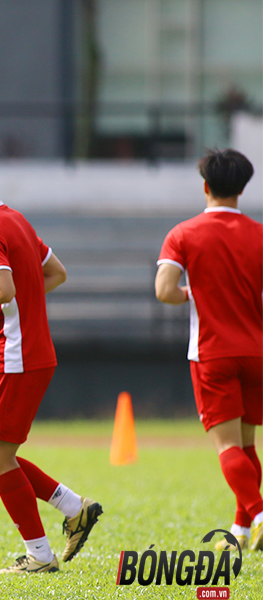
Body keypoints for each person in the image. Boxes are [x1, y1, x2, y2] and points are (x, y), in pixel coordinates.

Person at [0, 142, 101, 574]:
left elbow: (5, 288)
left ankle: (40, 556)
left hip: (16, 356)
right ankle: (73, 507)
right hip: (24, 353)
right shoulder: (17, 220)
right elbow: (54, 273)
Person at [155, 148, 263, 552]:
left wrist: (190, 293)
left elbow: (164, 290)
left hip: (213, 352)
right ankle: (239, 531)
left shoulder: (184, 233)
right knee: (248, 444)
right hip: (256, 351)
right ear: (242, 188)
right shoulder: (259, 233)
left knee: (228, 446)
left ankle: (258, 513)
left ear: (205, 186)